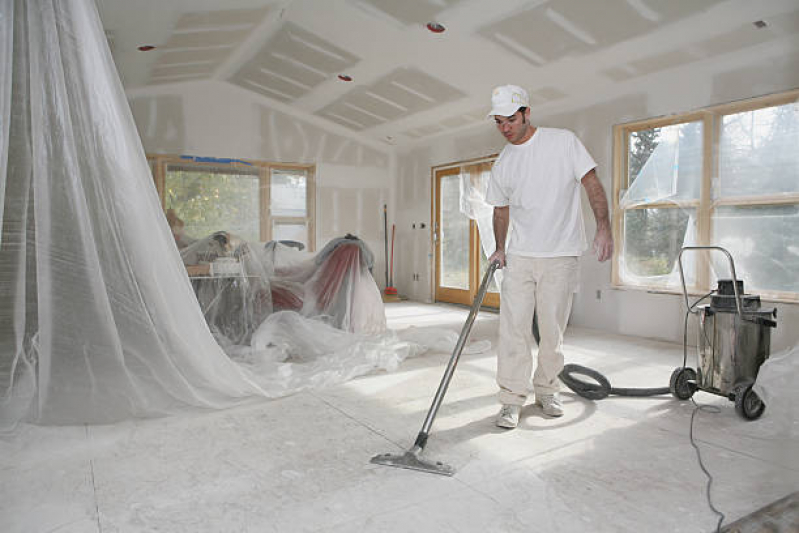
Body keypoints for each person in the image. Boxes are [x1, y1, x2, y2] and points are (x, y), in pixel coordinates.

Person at [485, 85, 613, 429]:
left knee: (552, 331)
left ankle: (546, 389)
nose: (505, 128)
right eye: (498, 122)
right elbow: (500, 210)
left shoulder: (563, 142)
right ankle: (511, 399)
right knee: (512, 329)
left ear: (526, 113)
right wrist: (500, 247)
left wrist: (604, 227)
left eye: (510, 119)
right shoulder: (504, 161)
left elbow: (592, 184)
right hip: (520, 256)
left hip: (561, 253)